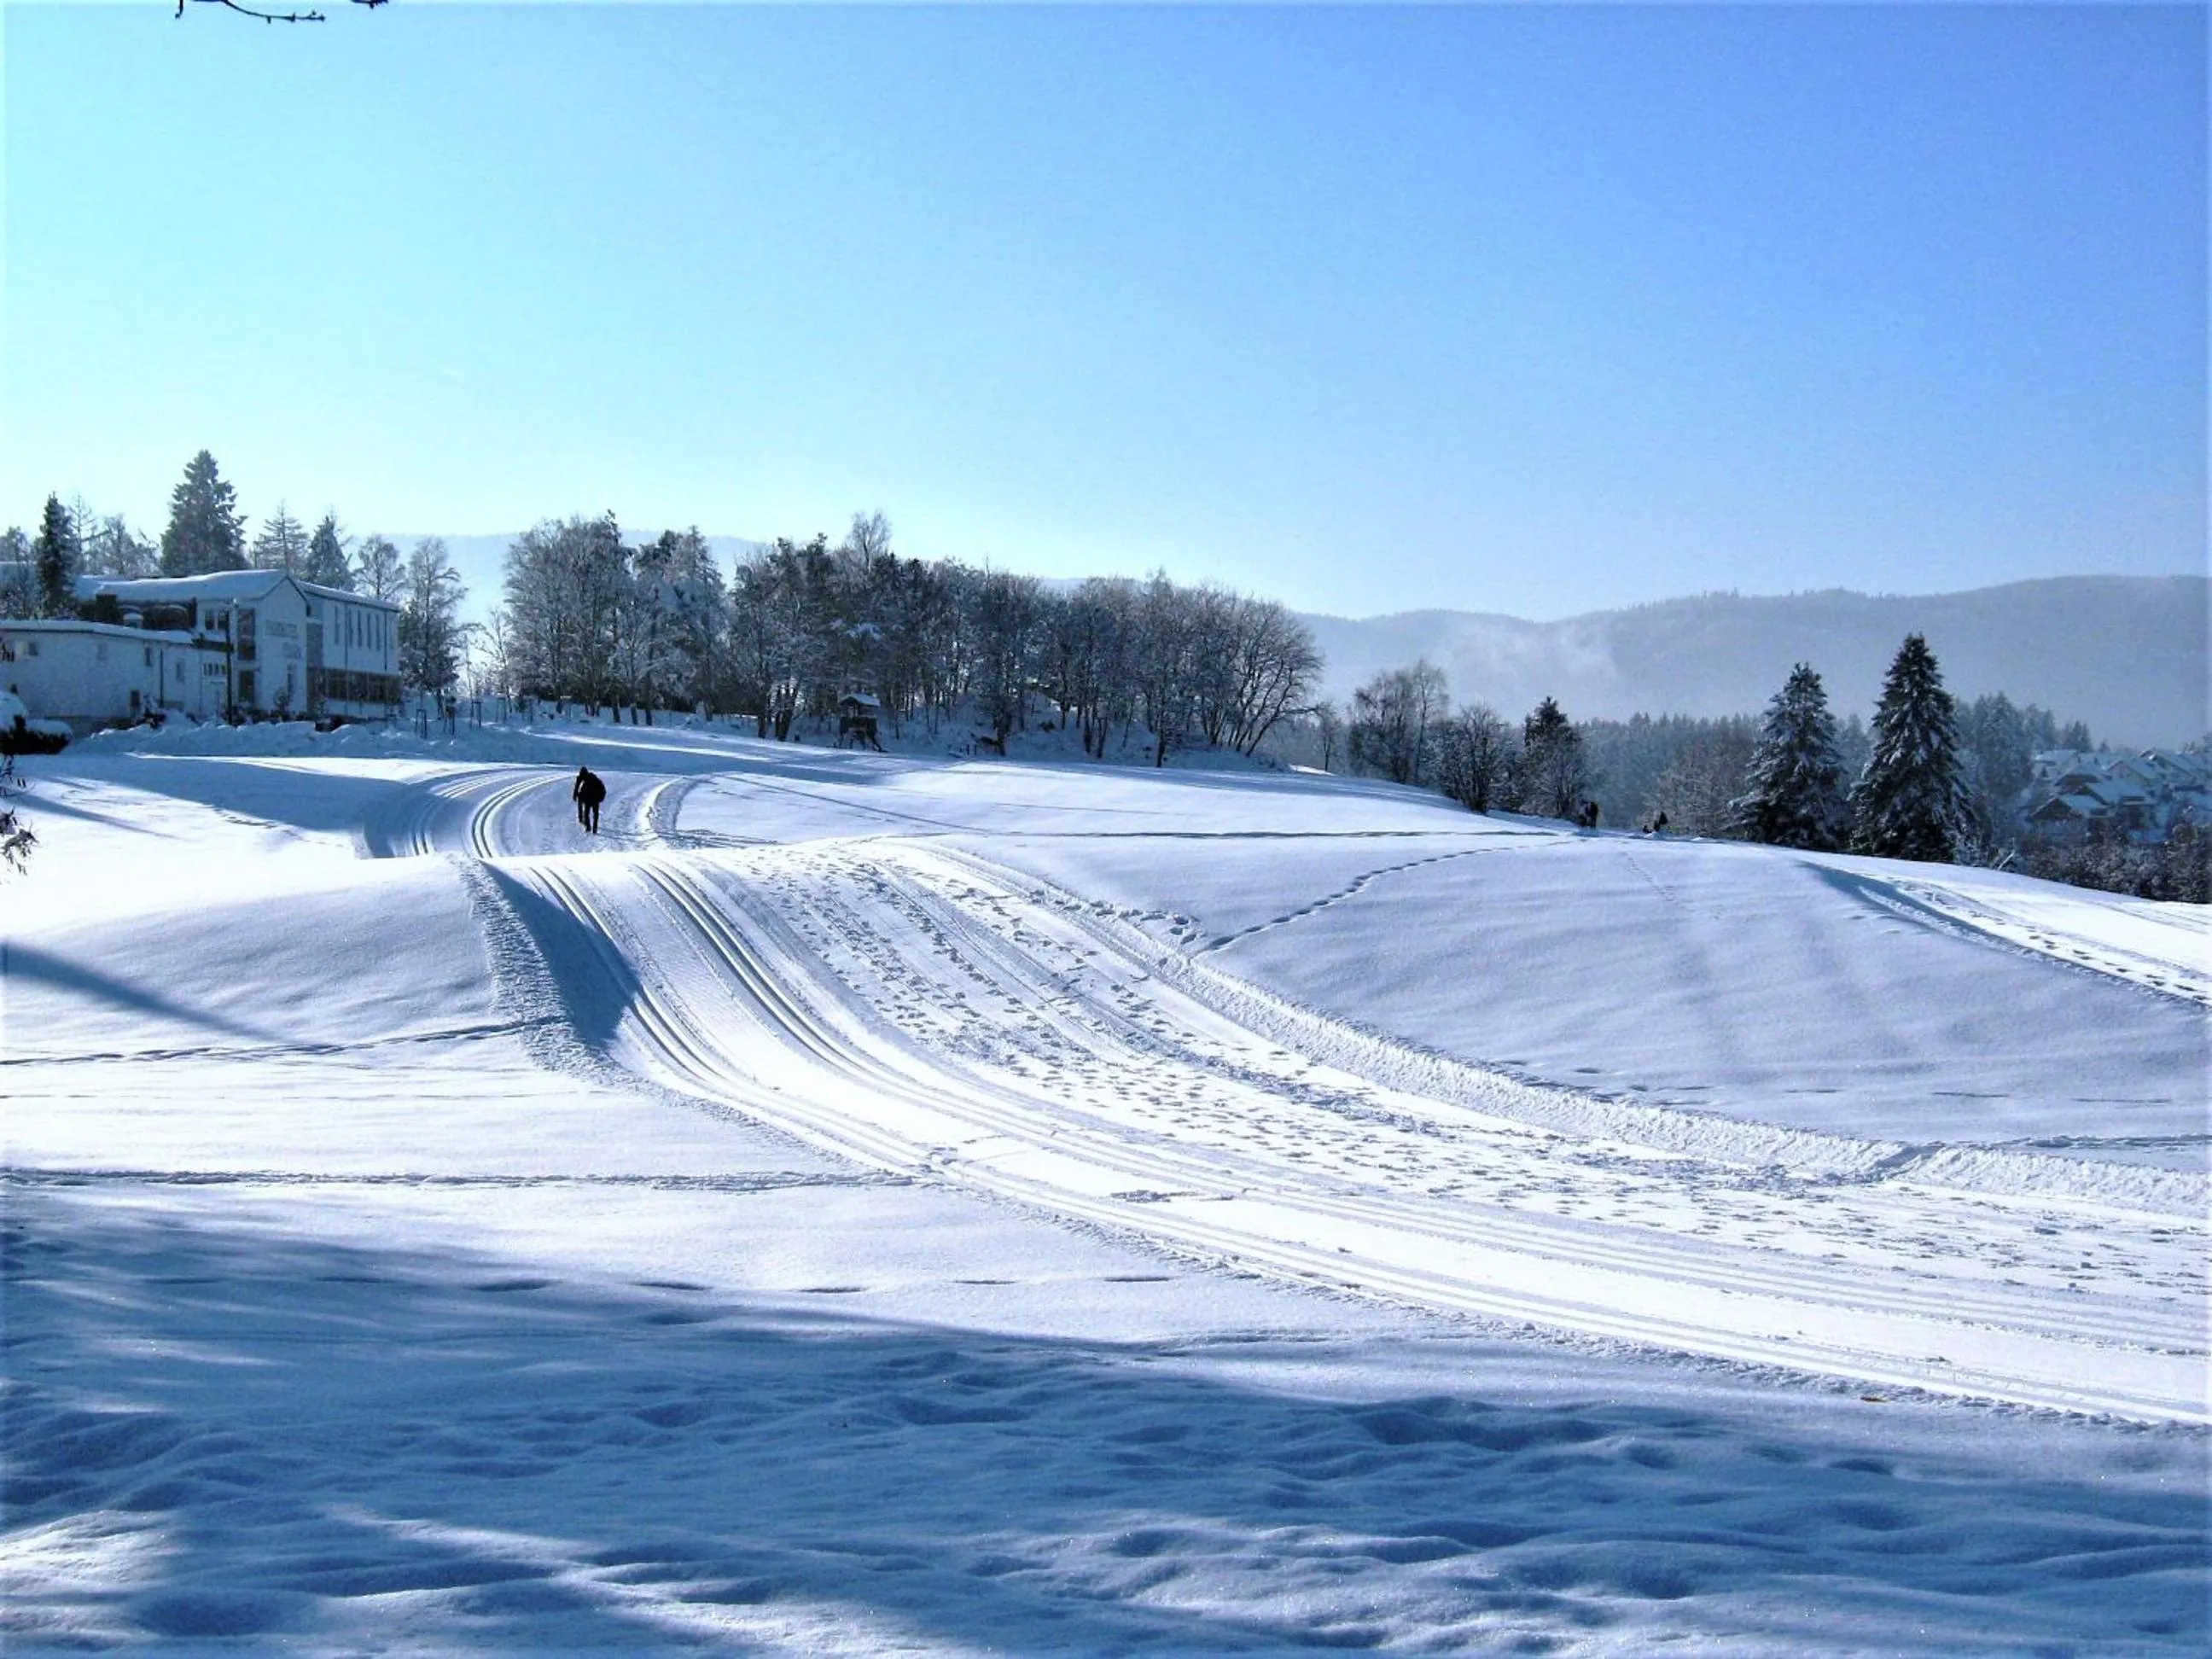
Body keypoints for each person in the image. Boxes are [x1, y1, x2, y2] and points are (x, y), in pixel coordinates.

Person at [573, 765, 607, 834]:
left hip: (594, 798)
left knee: (591, 813)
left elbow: (603, 789)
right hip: (589, 798)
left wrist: (600, 798)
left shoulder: (593, 779)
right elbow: (577, 786)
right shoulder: (583, 778)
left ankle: (592, 827)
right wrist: (575, 794)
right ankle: (590, 827)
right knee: (588, 813)